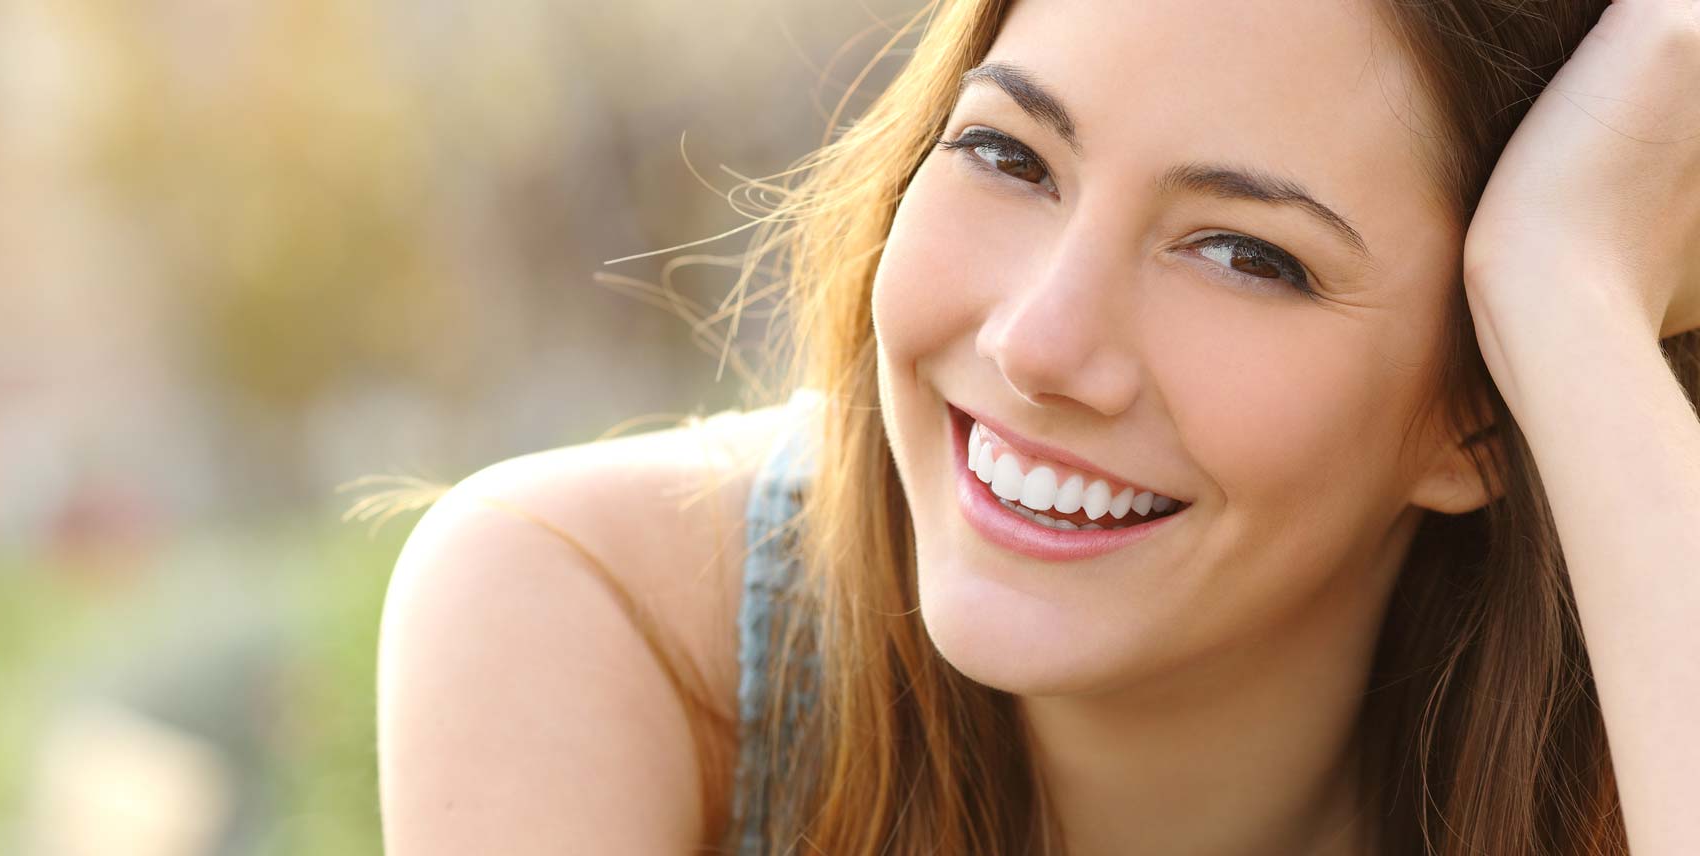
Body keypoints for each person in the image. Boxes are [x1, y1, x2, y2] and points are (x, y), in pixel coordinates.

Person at [376, 0, 1700, 852]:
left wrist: (1569, 298)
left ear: (1481, 419)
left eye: (1244, 253)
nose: (1037, 342)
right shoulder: (601, 612)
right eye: (1010, 157)